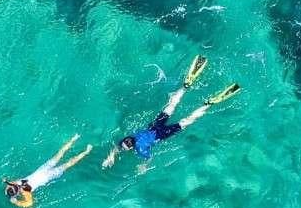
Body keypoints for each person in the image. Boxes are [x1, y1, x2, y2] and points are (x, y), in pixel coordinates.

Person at [102, 55, 240, 168]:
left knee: (186, 121)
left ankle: (208, 104)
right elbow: (117, 147)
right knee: (171, 106)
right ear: (129, 139)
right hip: (154, 126)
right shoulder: (131, 138)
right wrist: (110, 156)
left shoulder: (141, 150)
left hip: (161, 134)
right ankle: (185, 87)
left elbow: (149, 158)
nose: (123, 146)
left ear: (131, 146)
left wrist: (143, 167)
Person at [3, 134, 93, 208]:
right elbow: (9, 183)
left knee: (68, 164)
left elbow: (29, 204)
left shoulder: (26, 191)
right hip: (43, 169)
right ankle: (74, 138)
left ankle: (86, 151)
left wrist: (16, 202)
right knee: (60, 153)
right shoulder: (16, 183)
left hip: (49, 175)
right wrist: (5, 182)